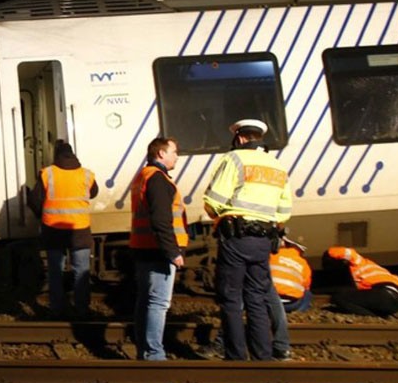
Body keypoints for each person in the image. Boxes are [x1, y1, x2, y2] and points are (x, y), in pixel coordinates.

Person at [203, 119, 292, 360]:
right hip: (263, 240)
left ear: (241, 138)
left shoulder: (234, 159)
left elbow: (214, 201)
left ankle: (236, 356)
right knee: (257, 297)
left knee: (231, 297)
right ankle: (263, 356)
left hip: (236, 238)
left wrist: (219, 217)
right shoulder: (277, 166)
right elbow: (284, 211)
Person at [201, 239, 312, 360]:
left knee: (235, 301)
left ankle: (225, 347)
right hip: (290, 301)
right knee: (260, 301)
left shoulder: (275, 256)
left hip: (238, 242)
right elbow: (306, 285)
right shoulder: (302, 262)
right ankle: (278, 348)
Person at [129, 137, 188, 360]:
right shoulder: (158, 179)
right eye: (174, 151)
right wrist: (172, 252)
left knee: (145, 300)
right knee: (158, 303)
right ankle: (154, 354)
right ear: (161, 154)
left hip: (143, 247)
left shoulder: (143, 176)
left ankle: (144, 350)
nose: (177, 156)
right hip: (158, 250)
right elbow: (162, 220)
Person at [28, 140, 99, 317]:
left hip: (53, 230)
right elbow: (94, 192)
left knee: (55, 272)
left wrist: (42, 215)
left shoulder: (47, 173)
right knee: (81, 271)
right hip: (80, 230)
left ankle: (57, 309)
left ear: (56, 155)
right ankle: (82, 309)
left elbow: (34, 200)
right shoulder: (86, 174)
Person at [325, 247, 398, 316]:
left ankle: (371, 316)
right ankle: (379, 313)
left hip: (385, 296)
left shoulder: (356, 267)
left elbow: (354, 291)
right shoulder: (368, 264)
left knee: (339, 297)